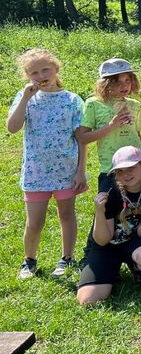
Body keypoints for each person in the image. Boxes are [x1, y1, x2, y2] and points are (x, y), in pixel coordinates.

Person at [7, 49, 88, 279]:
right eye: (34, 72)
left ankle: (67, 258)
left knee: (67, 215)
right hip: (36, 172)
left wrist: (80, 171)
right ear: (27, 76)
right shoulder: (26, 98)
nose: (41, 75)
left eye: (45, 69)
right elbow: (12, 127)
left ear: (56, 69)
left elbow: (81, 139)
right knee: (34, 221)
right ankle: (29, 261)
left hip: (66, 170)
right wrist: (25, 98)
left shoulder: (72, 100)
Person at [77, 146, 141, 304]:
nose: (126, 174)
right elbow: (102, 240)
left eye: (131, 168)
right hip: (106, 247)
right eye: (120, 171)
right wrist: (99, 212)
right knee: (88, 300)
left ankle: (136, 267)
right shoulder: (110, 193)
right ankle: (110, 269)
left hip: (133, 242)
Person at [76, 58, 141, 194]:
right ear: (106, 84)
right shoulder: (94, 104)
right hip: (111, 168)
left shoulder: (134, 105)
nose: (124, 86)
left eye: (127, 80)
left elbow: (136, 136)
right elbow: (82, 138)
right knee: (108, 205)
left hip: (136, 167)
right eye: (117, 82)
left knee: (138, 204)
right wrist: (111, 125)